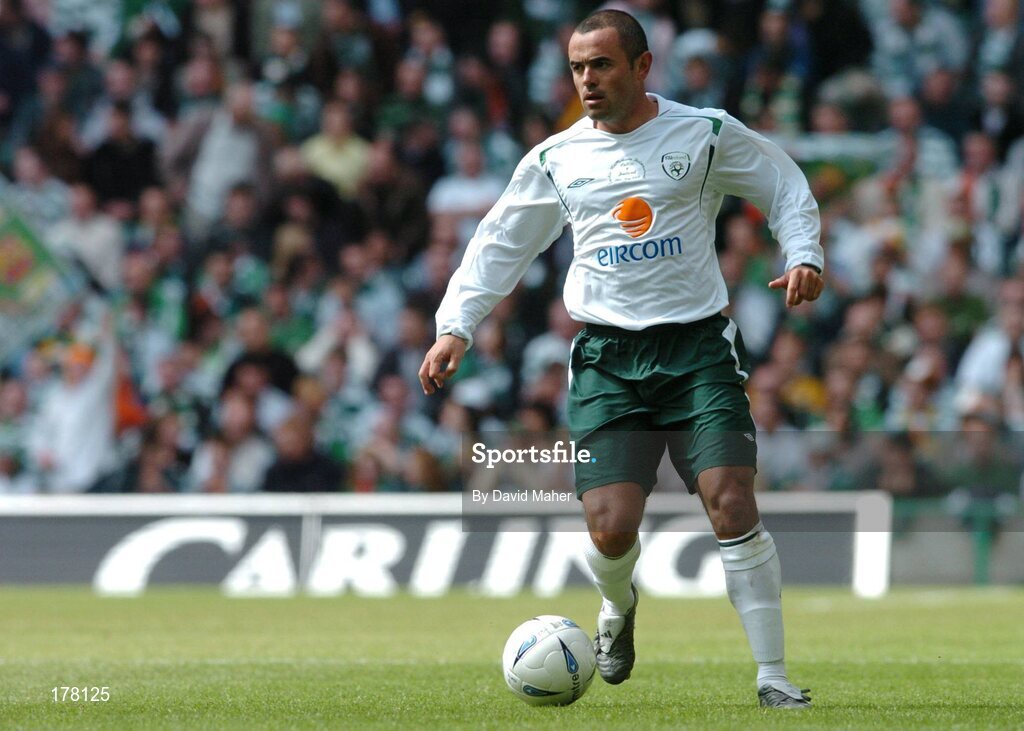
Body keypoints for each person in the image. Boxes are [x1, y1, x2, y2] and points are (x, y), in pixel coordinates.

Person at [418, 9, 824, 709]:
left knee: (730, 501)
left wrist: (804, 252)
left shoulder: (703, 134)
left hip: (697, 349)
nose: (587, 80)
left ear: (641, 67)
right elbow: (500, 242)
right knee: (609, 528)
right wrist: (455, 324)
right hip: (607, 356)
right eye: (578, 68)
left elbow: (783, 184)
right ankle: (616, 607)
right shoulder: (557, 157)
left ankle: (774, 677)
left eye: (601, 65)